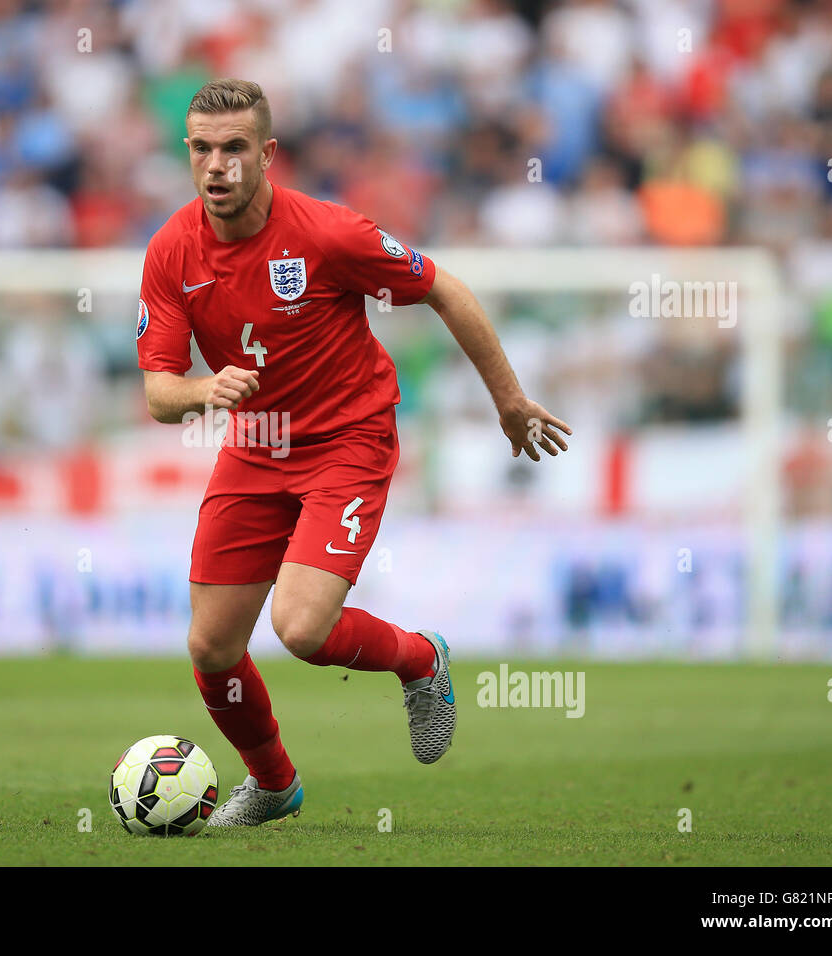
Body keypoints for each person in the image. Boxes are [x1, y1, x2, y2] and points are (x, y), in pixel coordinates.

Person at [137, 79, 571, 826]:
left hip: (348, 437)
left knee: (301, 630)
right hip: (255, 444)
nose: (217, 166)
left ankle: (421, 660)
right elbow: (157, 392)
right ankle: (273, 786)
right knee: (211, 647)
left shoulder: (328, 235)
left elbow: (446, 290)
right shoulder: (172, 250)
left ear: (266, 155)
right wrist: (204, 393)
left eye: (235, 148)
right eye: (202, 149)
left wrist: (507, 398)